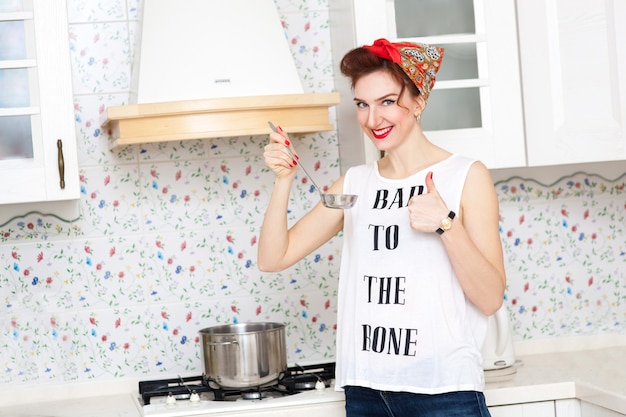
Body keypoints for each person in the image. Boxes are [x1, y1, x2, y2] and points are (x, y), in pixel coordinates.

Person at [258, 38, 506, 417]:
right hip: (366, 392)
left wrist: (446, 225)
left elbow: (490, 299)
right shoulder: (354, 184)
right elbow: (273, 258)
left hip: (443, 391)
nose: (373, 120)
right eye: (362, 105)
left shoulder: (466, 176)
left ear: (419, 101)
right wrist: (283, 180)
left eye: (387, 102)